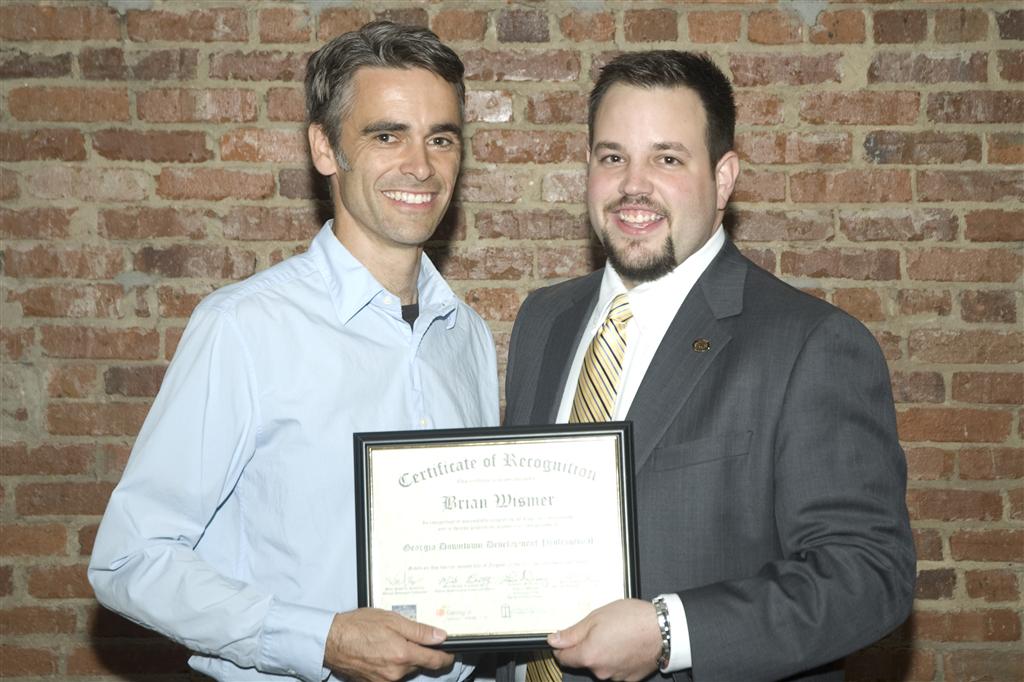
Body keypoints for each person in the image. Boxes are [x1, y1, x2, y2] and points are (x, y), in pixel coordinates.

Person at [88, 21, 498, 682]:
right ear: (325, 148)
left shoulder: (466, 335)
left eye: (441, 138)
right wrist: (321, 639)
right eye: (387, 135)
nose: (421, 165)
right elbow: (131, 560)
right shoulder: (244, 328)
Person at [501, 51, 915, 682]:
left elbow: (868, 575)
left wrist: (671, 633)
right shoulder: (544, 320)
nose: (633, 185)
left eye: (667, 159)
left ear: (723, 179)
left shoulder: (812, 345)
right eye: (612, 157)